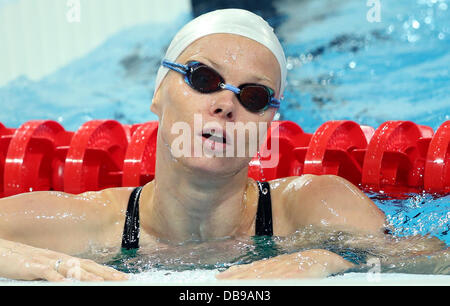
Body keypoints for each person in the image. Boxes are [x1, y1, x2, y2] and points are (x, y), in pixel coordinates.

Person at [0, 9, 446, 282]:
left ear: (269, 123)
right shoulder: (87, 221)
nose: (225, 106)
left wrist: (332, 259)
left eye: (253, 97)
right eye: (203, 78)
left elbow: (435, 262)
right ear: (158, 94)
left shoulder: (316, 208)